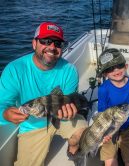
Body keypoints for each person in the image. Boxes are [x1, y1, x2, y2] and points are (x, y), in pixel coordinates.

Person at [0, 22, 87, 165]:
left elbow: (68, 100)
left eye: (57, 43)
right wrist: (5, 114)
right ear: (34, 43)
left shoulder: (70, 70)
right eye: (46, 41)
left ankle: (72, 148)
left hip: (62, 117)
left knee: (83, 134)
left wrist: (71, 111)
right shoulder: (14, 69)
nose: (52, 47)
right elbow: (1, 105)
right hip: (32, 126)